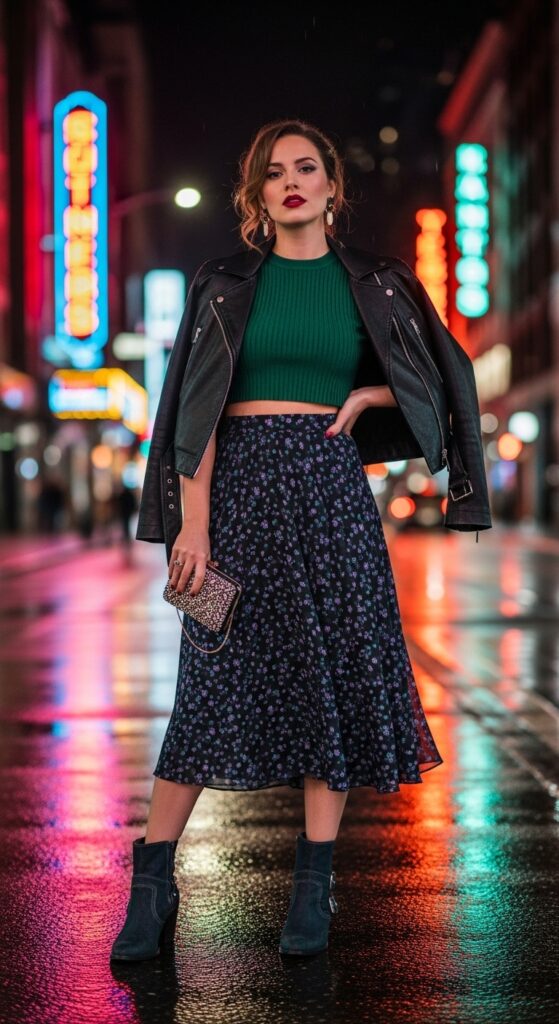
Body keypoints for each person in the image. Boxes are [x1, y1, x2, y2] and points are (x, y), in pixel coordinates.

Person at [111, 118, 491, 963]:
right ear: (255, 195)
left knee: (330, 683)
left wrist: (368, 400)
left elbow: (441, 372)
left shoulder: (380, 282)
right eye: (273, 172)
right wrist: (194, 527)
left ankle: (311, 887)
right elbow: (190, 414)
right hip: (236, 499)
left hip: (331, 498)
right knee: (209, 689)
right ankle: (153, 881)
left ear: (330, 186)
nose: (291, 181)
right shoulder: (223, 282)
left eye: (306, 167)